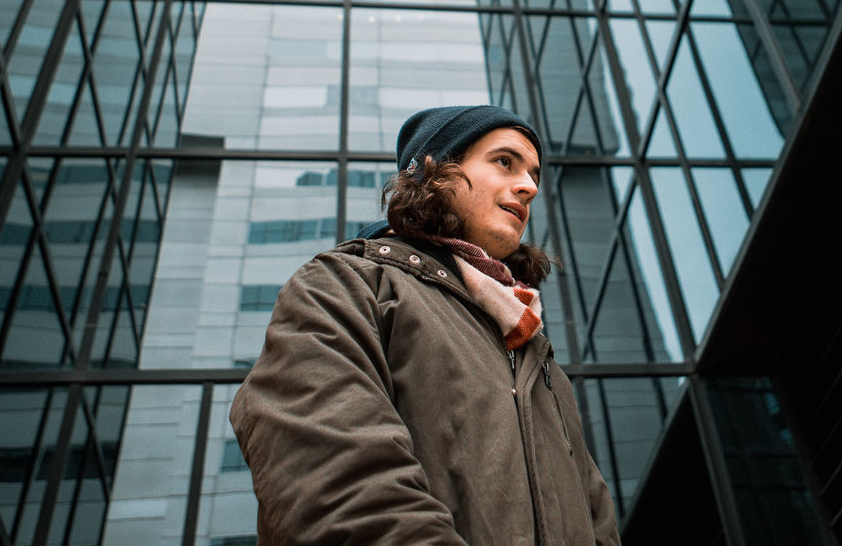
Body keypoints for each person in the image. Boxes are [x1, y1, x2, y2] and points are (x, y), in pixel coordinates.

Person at [230, 103, 621, 546]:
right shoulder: (346, 286)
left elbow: (597, 522)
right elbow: (338, 489)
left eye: (533, 173)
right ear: (436, 172)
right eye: (505, 161)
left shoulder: (535, 352)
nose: (529, 186)